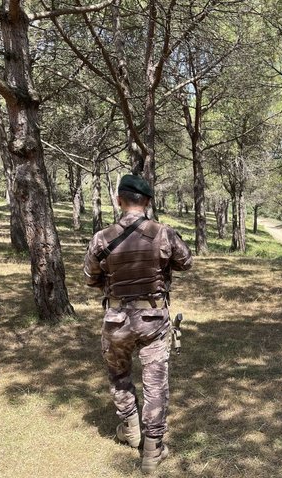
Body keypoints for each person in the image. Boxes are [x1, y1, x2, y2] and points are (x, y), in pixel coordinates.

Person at [84, 174, 193, 474]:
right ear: (147, 202)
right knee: (155, 383)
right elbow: (186, 262)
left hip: (116, 319)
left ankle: (131, 428)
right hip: (154, 320)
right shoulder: (163, 233)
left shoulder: (101, 238)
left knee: (119, 375)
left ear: (119, 200)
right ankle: (152, 449)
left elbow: (90, 278)